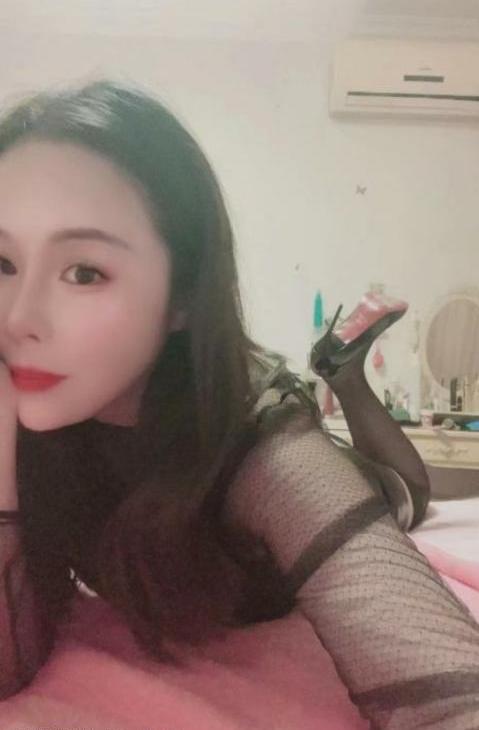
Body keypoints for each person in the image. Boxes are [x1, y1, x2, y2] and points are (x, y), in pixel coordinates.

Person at [0, 79, 478, 729]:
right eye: (2, 263)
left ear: (182, 297)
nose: (18, 317)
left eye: (84, 272)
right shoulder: (38, 415)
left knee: (406, 490)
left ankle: (343, 376)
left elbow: (450, 695)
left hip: (318, 455)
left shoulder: (266, 453)